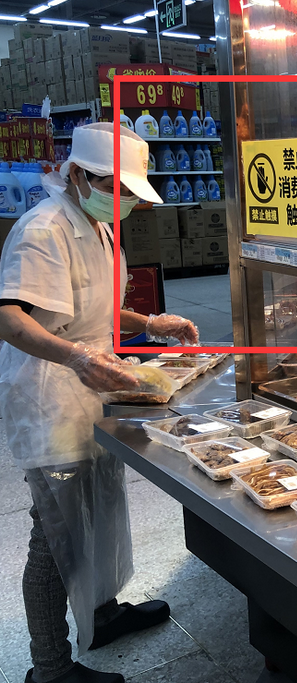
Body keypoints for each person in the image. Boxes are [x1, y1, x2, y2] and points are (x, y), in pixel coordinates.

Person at [0, 124, 201, 683]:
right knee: (54, 533)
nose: (126, 199)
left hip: (92, 389)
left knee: (101, 508)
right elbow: (10, 318)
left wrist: (149, 323)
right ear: (78, 175)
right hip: (49, 396)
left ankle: (102, 614)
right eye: (118, 187)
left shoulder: (100, 227)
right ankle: (49, 668)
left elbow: (94, 309)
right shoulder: (42, 229)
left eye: (132, 190)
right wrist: (75, 357)